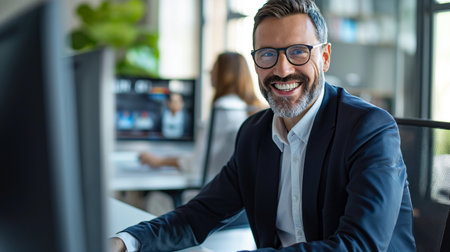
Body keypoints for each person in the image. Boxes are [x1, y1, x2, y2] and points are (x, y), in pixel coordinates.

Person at [111, 0, 416, 251]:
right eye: (268, 54)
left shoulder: (369, 129)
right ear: (255, 62)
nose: (282, 70)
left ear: (324, 57)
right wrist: (126, 242)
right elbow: (199, 215)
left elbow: (359, 246)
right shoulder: (254, 134)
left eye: (298, 51)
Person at [137, 52, 265, 214]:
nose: (210, 73)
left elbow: (198, 164)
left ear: (224, 74)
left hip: (209, 201)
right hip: (240, 209)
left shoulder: (223, 108)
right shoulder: (252, 109)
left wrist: (159, 161)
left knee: (154, 198)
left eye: (213, 68)